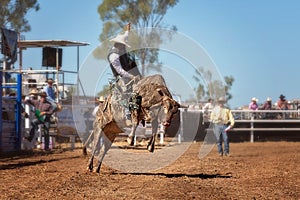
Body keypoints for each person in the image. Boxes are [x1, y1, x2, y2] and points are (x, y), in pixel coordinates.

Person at [108, 23, 141, 119]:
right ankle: (127, 112)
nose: (124, 47)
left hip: (127, 73)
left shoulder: (119, 49)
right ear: (119, 45)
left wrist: (128, 30)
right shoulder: (113, 55)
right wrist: (131, 76)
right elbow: (119, 70)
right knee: (126, 91)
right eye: (123, 45)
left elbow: (125, 36)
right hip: (120, 76)